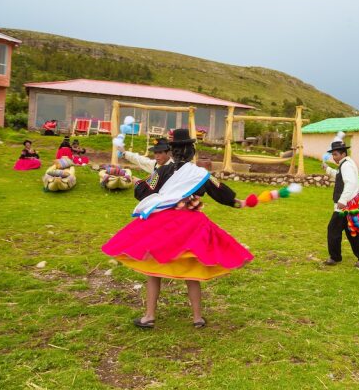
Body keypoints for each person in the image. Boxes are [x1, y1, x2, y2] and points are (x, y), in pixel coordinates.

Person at [103, 129, 253, 329]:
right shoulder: (201, 174)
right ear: (191, 151)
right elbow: (221, 192)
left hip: (162, 223)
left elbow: (143, 191)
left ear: (172, 151)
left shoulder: (162, 171)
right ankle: (197, 318)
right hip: (191, 225)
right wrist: (239, 203)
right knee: (191, 272)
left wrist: (137, 182)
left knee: (153, 270)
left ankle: (149, 316)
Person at [321, 132, 359, 268]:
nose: (334, 157)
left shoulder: (347, 165)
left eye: (336, 154)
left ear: (343, 154)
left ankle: (335, 257)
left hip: (345, 206)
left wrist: (342, 200)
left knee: (333, 230)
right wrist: (328, 169)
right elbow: (340, 176)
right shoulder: (345, 164)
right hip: (349, 205)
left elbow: (350, 184)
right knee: (351, 231)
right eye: (333, 154)